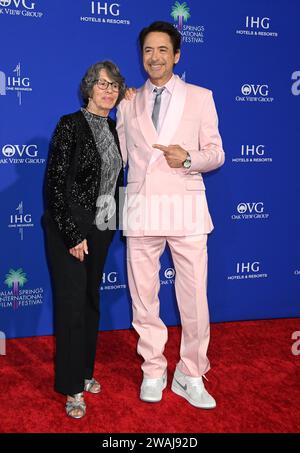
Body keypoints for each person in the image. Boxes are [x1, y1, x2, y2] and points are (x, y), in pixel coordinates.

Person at [117, 21, 225, 409]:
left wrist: (190, 158)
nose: (155, 57)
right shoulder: (128, 103)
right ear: (141, 56)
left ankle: (191, 373)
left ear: (176, 55)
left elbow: (217, 153)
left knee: (194, 299)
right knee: (144, 296)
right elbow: (121, 159)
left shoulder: (201, 97)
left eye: (163, 50)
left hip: (187, 210)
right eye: (148, 50)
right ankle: (153, 367)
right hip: (143, 209)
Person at [43, 60, 125, 418]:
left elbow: (113, 182)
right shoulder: (70, 126)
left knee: (91, 301)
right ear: (89, 88)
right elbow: (55, 186)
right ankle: (72, 387)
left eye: (114, 86)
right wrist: (73, 233)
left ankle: (85, 371)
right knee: (73, 306)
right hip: (69, 229)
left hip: (103, 227)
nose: (108, 91)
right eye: (102, 84)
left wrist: (108, 227)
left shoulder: (114, 127)